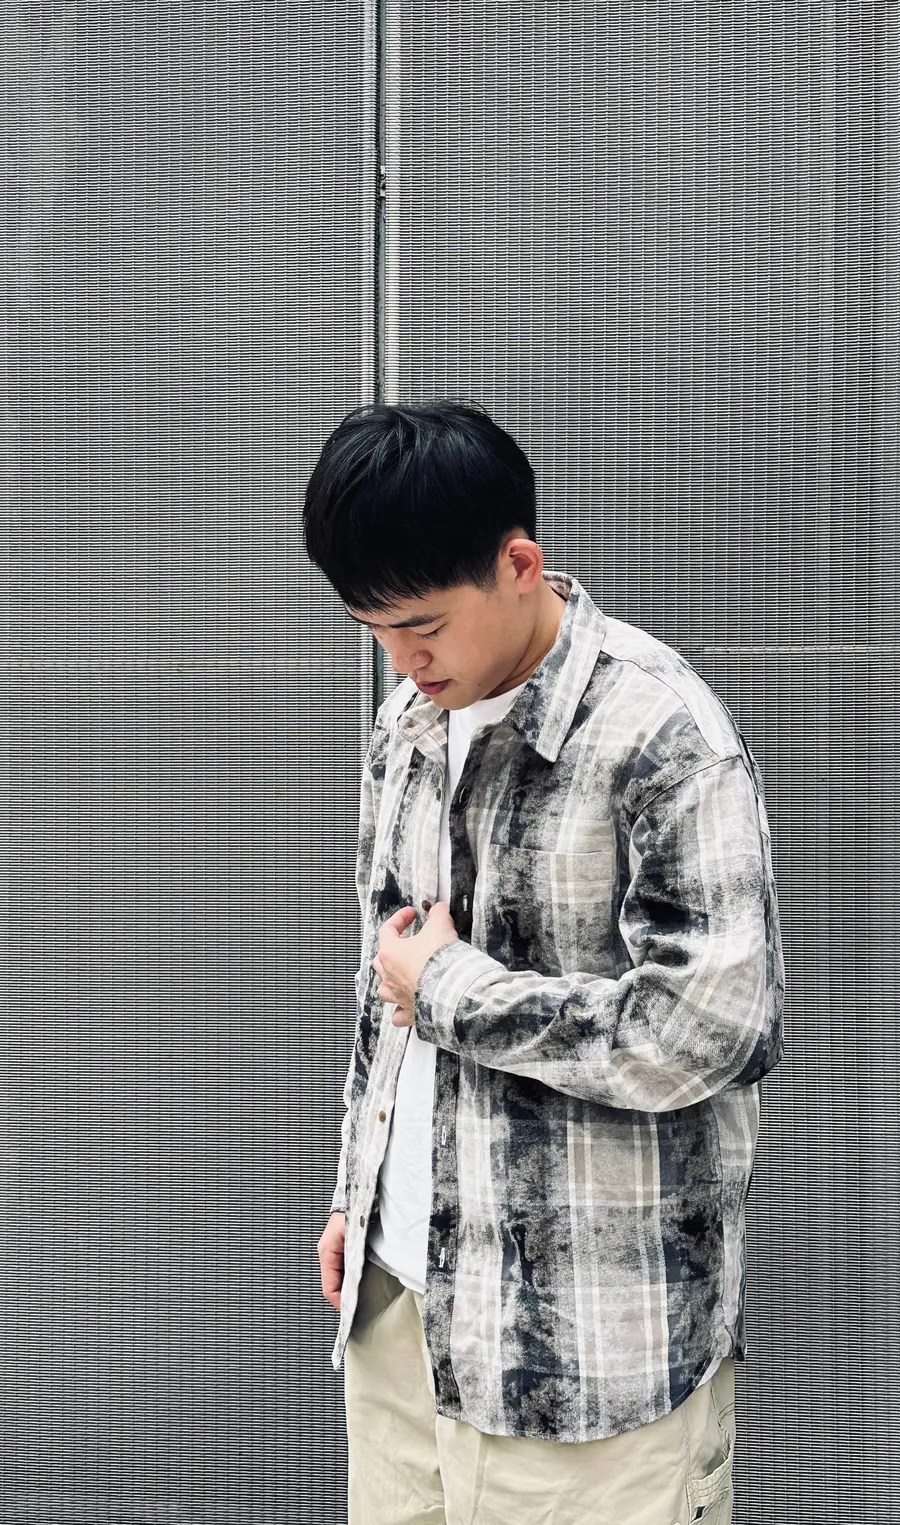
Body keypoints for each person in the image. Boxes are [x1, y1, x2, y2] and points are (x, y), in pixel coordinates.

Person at [303, 399, 784, 1525]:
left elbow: (710, 1028)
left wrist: (456, 991)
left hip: (588, 1350)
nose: (401, 659)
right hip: (402, 1309)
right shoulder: (410, 724)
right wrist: (357, 1192)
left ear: (519, 565)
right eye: (372, 628)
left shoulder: (662, 734)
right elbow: (386, 977)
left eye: (421, 624)